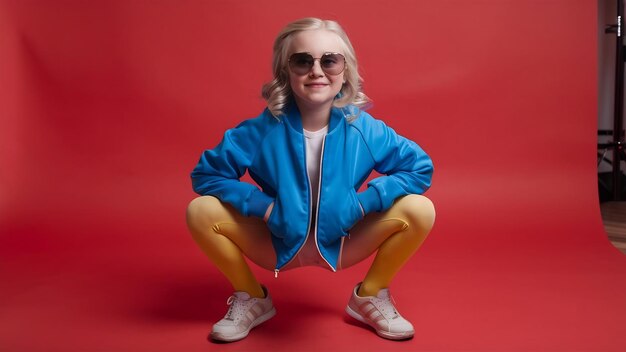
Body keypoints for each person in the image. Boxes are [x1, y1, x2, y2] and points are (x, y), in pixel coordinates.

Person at [186, 17, 435, 342]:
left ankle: (370, 295)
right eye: (302, 61)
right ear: (285, 72)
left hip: (343, 240)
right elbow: (207, 174)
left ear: (345, 70)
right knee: (200, 210)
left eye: (329, 60)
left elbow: (419, 168)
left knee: (420, 209)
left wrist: (363, 204)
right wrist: (265, 209)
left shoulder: (364, 128)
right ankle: (252, 298)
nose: (316, 71)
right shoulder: (259, 131)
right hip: (278, 239)